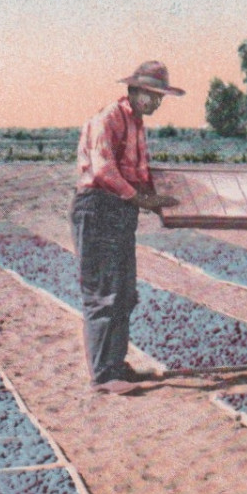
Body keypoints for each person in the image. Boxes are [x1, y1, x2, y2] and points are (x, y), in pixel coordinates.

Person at [72, 61, 182, 395]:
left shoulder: (136, 124)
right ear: (133, 90)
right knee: (104, 292)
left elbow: (139, 173)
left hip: (121, 210)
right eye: (150, 95)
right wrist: (141, 199)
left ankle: (116, 364)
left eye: (159, 97)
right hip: (98, 207)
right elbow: (104, 169)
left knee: (123, 293)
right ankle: (104, 375)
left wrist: (159, 196)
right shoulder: (109, 118)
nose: (155, 102)